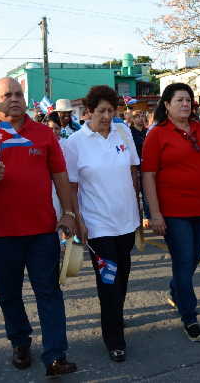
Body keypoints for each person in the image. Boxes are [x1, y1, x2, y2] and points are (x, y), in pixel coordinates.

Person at [0, 77, 78, 376]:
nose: (14, 99)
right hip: (0, 234)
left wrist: (68, 213)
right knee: (9, 295)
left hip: (41, 231)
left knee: (49, 293)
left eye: (18, 94)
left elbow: (60, 175)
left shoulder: (43, 134)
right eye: (7, 95)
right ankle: (20, 341)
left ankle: (55, 355)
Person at [142, 83, 200, 342]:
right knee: (183, 261)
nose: (186, 104)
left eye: (188, 100)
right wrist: (155, 213)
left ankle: (176, 289)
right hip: (173, 212)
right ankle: (190, 316)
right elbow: (148, 176)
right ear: (167, 105)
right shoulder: (157, 135)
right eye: (180, 100)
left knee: (194, 258)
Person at [65, 86, 140, 362]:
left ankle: (115, 316)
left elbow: (133, 172)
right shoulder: (75, 142)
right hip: (97, 226)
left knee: (122, 277)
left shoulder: (124, 133)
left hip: (126, 221)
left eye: (112, 110)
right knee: (108, 281)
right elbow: (71, 187)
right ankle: (114, 337)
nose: (108, 116)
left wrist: (139, 210)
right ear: (88, 112)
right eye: (102, 111)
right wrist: (78, 221)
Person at [130, 110, 150, 221]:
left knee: (147, 194)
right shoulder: (129, 132)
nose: (141, 118)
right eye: (137, 116)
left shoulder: (147, 132)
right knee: (134, 195)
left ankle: (147, 216)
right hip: (135, 169)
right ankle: (136, 218)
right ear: (132, 119)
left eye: (143, 115)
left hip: (146, 167)